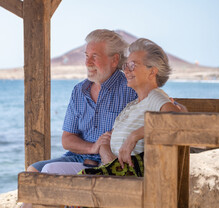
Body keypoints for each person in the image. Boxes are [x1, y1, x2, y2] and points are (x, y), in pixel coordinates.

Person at [43, 38, 183, 176]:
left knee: (48, 174)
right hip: (111, 173)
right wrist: (106, 153)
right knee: (44, 174)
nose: (126, 71)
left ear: (152, 72)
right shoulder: (132, 106)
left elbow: (177, 121)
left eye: (132, 65)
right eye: (126, 66)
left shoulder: (154, 97)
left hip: (126, 179)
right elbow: (107, 140)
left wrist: (134, 136)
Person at [26, 29, 138, 173]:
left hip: (111, 162)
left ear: (114, 60)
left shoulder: (130, 89)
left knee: (49, 171)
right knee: (32, 171)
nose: (87, 62)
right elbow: (67, 139)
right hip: (77, 158)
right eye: (86, 56)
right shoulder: (79, 90)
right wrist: (92, 147)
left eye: (94, 56)